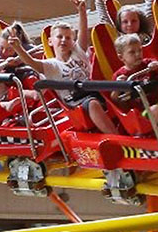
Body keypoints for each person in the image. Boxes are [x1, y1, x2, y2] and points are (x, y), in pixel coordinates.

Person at [8, 8, 117, 136]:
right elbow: (31, 62)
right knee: (92, 104)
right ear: (50, 41)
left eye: (68, 38)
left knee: (116, 93)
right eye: (59, 37)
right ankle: (116, 137)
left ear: (73, 42)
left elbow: (83, 33)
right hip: (74, 99)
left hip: (92, 90)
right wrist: (18, 48)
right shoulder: (51, 65)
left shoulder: (79, 53)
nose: (64, 40)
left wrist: (82, 12)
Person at [113, 33, 158, 135]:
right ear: (121, 57)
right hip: (143, 112)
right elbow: (115, 99)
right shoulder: (120, 75)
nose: (138, 54)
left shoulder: (147, 63)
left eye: (140, 50)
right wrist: (118, 86)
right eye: (132, 52)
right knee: (155, 109)